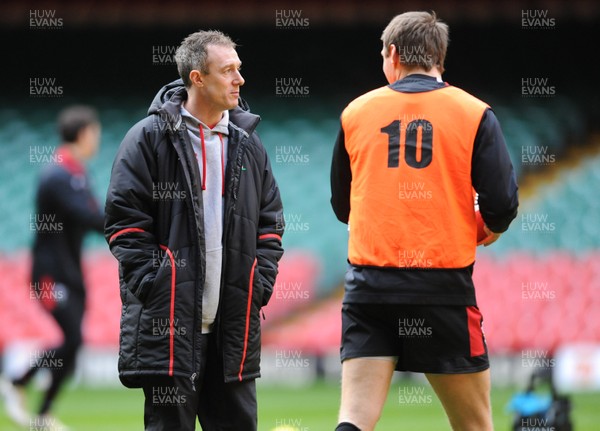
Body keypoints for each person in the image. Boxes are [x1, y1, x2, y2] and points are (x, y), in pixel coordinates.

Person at [330, 11, 518, 431]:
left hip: (369, 288)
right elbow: (502, 203)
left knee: (355, 419)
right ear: (439, 58)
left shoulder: (355, 112)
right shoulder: (475, 113)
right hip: (443, 290)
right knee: (473, 424)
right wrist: (485, 228)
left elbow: (343, 207)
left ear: (392, 54)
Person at [104, 30, 284, 431]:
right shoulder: (147, 138)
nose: (240, 79)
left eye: (239, 69)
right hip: (170, 331)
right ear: (197, 77)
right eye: (229, 70)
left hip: (231, 331)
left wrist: (260, 282)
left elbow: (271, 222)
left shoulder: (249, 144)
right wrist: (156, 282)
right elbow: (124, 222)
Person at [1, 105, 104, 429]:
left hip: (70, 272)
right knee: (72, 339)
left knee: (74, 344)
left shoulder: (75, 172)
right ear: (84, 133)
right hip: (49, 275)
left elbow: (93, 217)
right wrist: (133, 222)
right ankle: (18, 381)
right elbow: (90, 218)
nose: (97, 139)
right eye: (95, 132)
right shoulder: (59, 174)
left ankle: (39, 410)